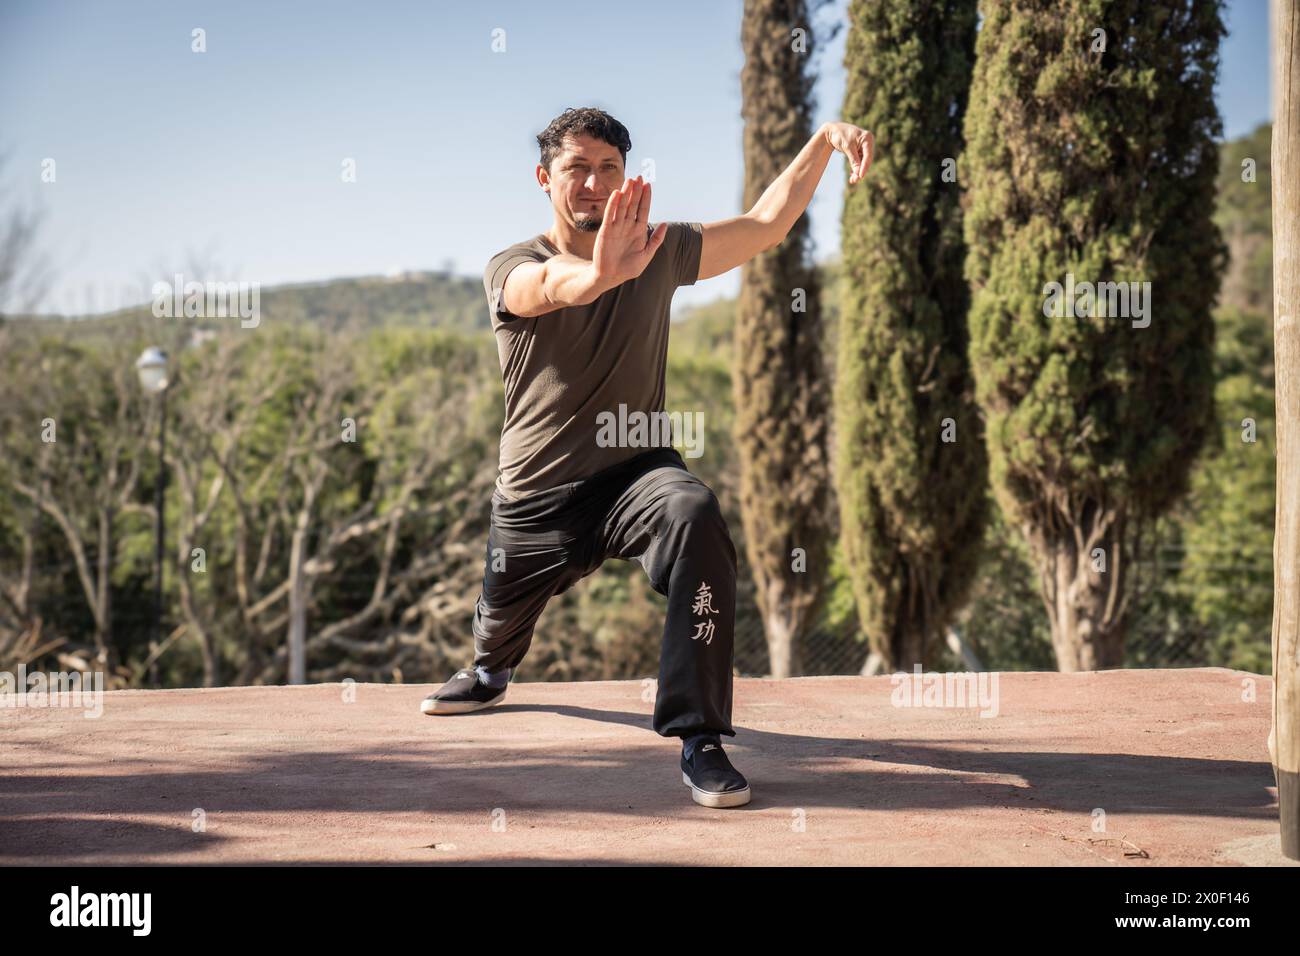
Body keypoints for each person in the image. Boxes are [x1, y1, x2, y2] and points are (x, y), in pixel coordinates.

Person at [421, 107, 872, 809]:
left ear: (626, 178)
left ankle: (700, 737)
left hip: (635, 473)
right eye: (578, 169)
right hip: (537, 497)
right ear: (545, 178)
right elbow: (550, 290)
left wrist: (820, 142)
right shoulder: (512, 267)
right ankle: (489, 669)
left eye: (609, 170)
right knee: (497, 627)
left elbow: (764, 226)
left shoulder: (659, 249)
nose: (594, 184)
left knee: (694, 513)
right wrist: (599, 275)